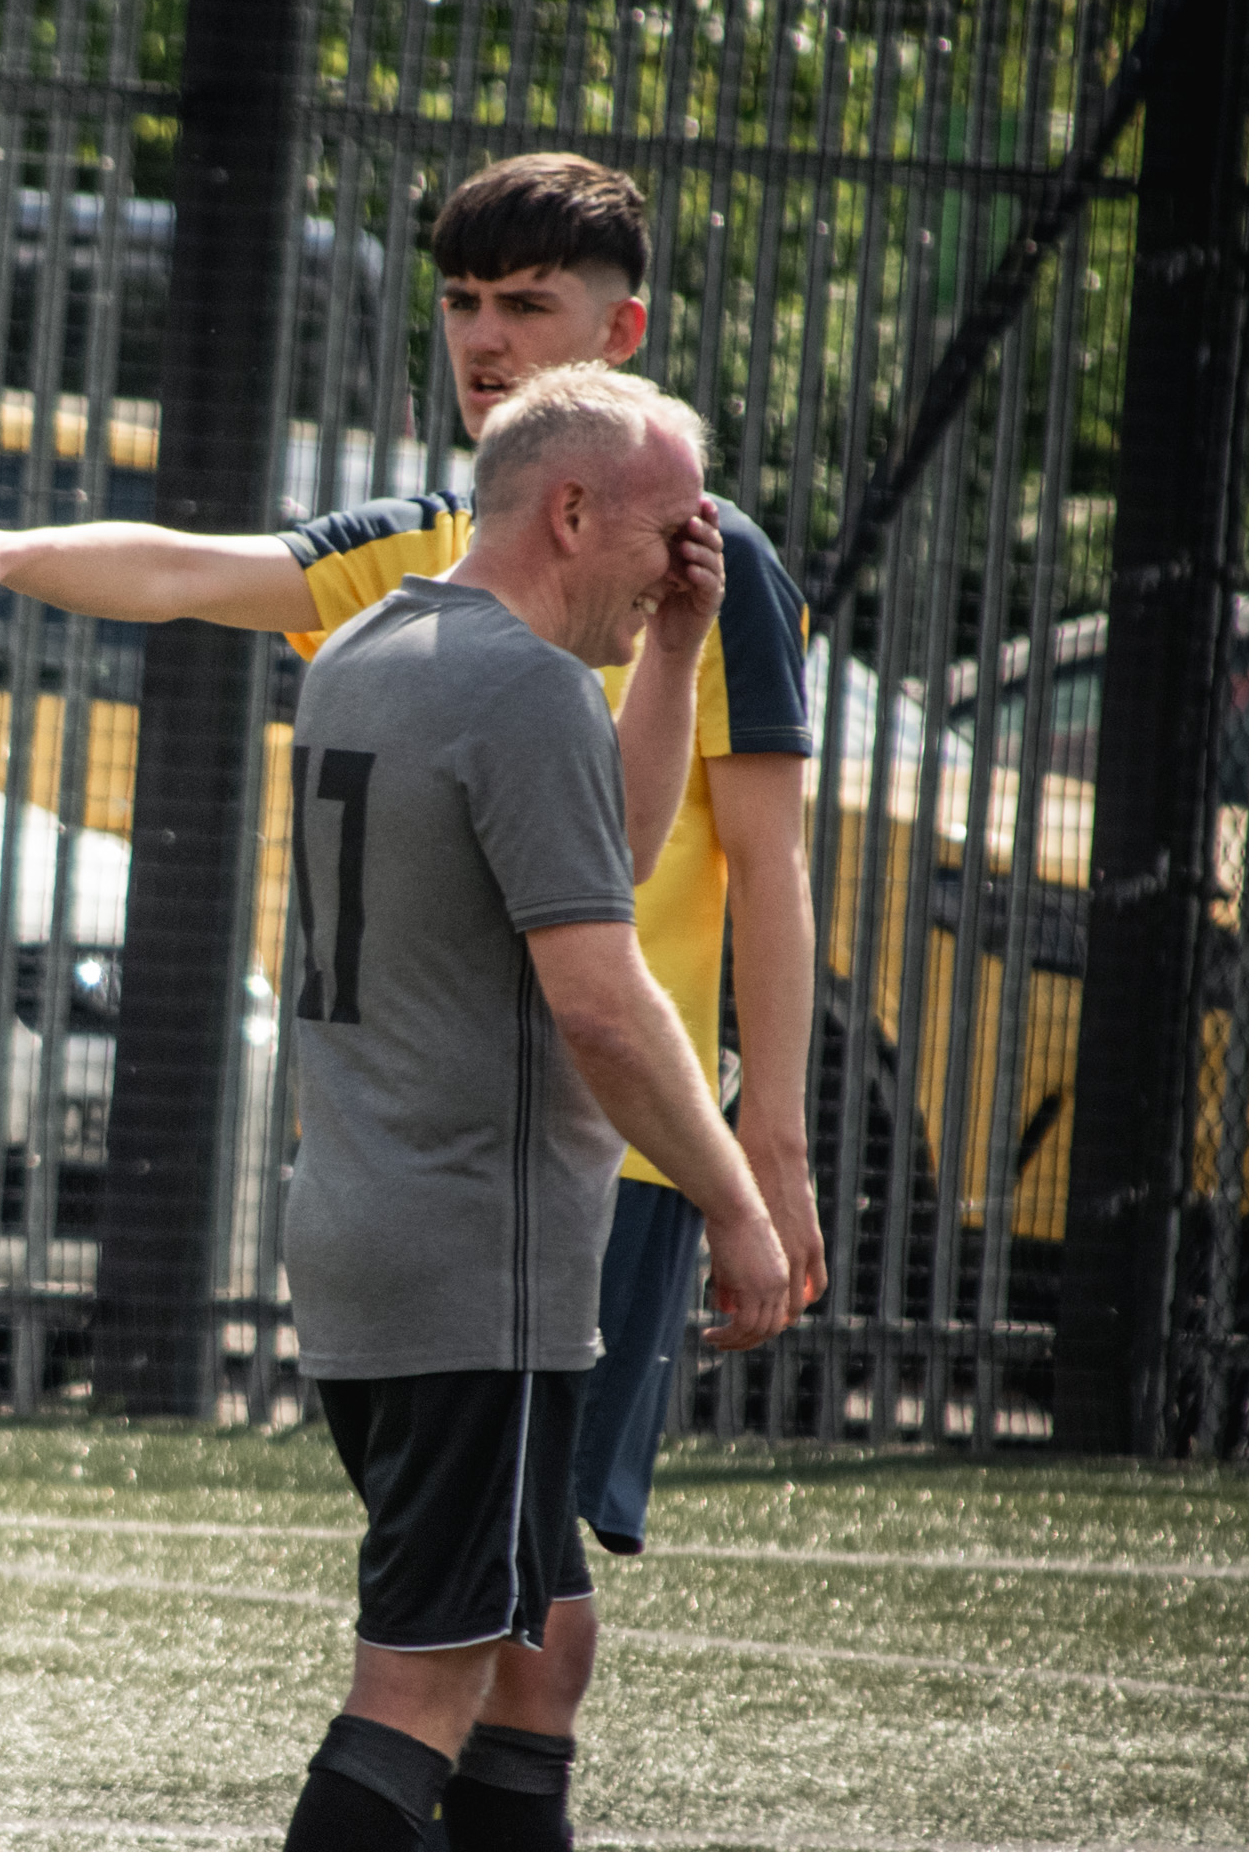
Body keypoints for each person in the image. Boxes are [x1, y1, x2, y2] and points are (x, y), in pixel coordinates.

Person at [0, 153, 822, 1836]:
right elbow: (179, 570)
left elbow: (741, 863)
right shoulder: (450, 598)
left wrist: (772, 1137)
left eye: (528, 305)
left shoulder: (570, 593)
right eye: (465, 303)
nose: (488, 339)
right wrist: (9, 547)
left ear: (623, 328)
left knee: (527, 1636)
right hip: (512, 1181)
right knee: (464, 1655)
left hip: (550, 1173)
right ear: (574, 516)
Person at [280, 365, 795, 1848]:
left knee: (540, 1648)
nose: (676, 572)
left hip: (369, 1231)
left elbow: (591, 850)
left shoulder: (373, 646)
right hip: (475, 1266)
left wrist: (679, 651)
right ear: (573, 511)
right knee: (424, 1687)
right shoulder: (518, 686)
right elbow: (600, 995)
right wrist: (737, 1201)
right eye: (665, 542)